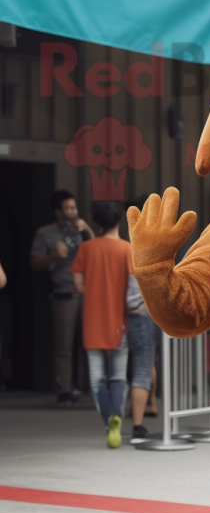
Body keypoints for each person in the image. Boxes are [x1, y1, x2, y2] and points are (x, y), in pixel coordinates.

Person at [71, 202, 133, 448]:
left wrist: (95, 291)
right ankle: (117, 414)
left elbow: (78, 285)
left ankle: (110, 421)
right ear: (119, 221)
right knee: (118, 376)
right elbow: (133, 287)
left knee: (97, 379)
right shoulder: (128, 249)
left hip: (93, 322)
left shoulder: (86, 248)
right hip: (120, 322)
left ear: (97, 223)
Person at [30, 190, 94, 404]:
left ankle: (88, 385)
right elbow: (34, 263)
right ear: (58, 211)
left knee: (90, 342)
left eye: (74, 208)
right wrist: (52, 257)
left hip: (86, 293)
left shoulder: (81, 230)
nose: (72, 212)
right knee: (64, 344)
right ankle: (64, 389)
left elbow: (96, 250)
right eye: (68, 208)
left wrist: (87, 230)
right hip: (63, 293)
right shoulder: (45, 233)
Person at [126, 273, 159, 443]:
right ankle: (138, 425)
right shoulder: (143, 259)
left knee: (117, 371)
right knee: (144, 368)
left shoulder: (123, 255)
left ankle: (114, 423)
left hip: (119, 316)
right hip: (142, 314)